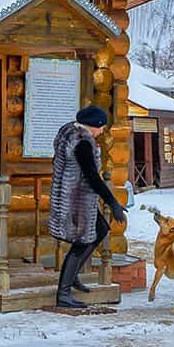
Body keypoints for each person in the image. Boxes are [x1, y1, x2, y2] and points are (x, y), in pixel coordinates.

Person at [48, 104, 127, 309]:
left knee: (101, 229)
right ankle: (63, 294)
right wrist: (112, 202)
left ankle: (72, 277)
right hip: (77, 201)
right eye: (101, 127)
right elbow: (92, 177)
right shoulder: (83, 143)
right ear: (92, 125)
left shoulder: (68, 132)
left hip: (72, 196)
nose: (102, 131)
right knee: (81, 242)